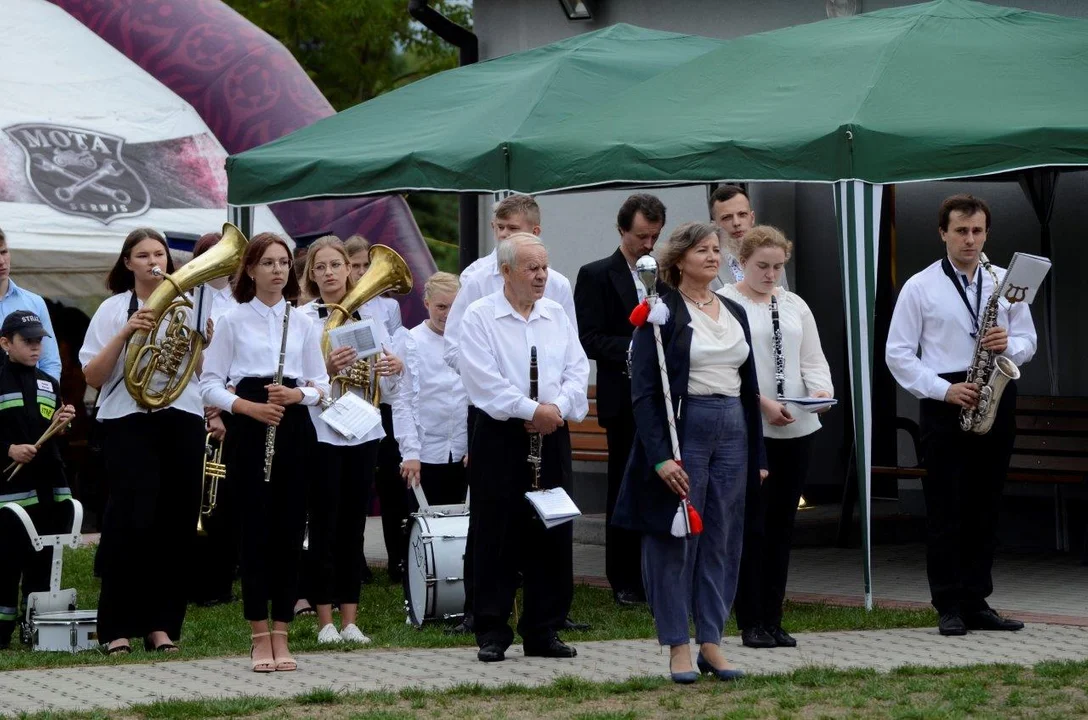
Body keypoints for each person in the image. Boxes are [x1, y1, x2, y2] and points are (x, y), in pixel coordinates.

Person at [614, 222, 766, 684]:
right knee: (676, 536)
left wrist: (758, 454)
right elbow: (643, 391)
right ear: (679, 259)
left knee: (723, 537)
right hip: (687, 429)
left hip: (733, 431)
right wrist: (661, 456)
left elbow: (750, 386)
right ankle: (678, 643)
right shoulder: (660, 312)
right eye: (702, 249)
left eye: (716, 249)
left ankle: (712, 642)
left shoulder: (734, 310)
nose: (712, 256)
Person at [886, 194, 1035, 637]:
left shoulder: (1006, 282)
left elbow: (1028, 339)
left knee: (986, 505)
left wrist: (1007, 345)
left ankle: (977, 600)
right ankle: (948, 602)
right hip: (946, 396)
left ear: (987, 233)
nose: (970, 240)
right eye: (961, 231)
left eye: (977, 231)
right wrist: (943, 389)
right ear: (943, 234)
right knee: (947, 506)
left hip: (996, 386)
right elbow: (897, 354)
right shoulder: (920, 286)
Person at [443, 193, 585, 635]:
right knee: (496, 530)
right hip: (501, 429)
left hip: (551, 428)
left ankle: (545, 626)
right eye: (532, 269)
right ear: (506, 272)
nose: (542, 276)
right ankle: (490, 626)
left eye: (544, 267)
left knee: (552, 527)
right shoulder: (481, 312)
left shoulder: (557, 309)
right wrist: (530, 409)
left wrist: (556, 408)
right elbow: (479, 374)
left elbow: (577, 366)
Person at [200, 232, 330, 672]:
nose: (278, 270)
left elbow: (321, 383)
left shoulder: (305, 322)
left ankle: (282, 634)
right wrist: (246, 407)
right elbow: (210, 382)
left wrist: (301, 398)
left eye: (284, 263)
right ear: (250, 270)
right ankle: (258, 636)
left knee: (291, 533)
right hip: (251, 423)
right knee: (254, 532)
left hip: (292, 425)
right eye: (269, 263)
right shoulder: (234, 320)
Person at [79, 228, 206, 654]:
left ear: (168, 261)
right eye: (143, 254)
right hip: (129, 421)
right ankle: (116, 626)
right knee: (130, 522)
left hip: (182, 418)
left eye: (160, 253)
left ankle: (161, 626)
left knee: (175, 523)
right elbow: (92, 377)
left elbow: (200, 372)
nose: (153, 260)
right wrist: (126, 333)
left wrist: (200, 340)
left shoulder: (187, 305)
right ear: (128, 263)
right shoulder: (113, 309)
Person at [718, 226, 833, 649]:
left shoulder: (794, 303)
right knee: (753, 526)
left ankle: (774, 616)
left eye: (778, 267)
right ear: (743, 263)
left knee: (783, 526)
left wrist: (820, 393)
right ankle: (750, 619)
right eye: (762, 267)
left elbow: (813, 359)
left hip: (798, 426)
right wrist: (763, 402)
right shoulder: (728, 303)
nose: (770, 275)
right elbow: (727, 369)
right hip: (752, 427)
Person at [297, 236, 402, 645]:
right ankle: (324, 620)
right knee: (323, 523)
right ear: (311, 274)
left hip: (362, 429)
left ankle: (350, 620)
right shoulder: (304, 317)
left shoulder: (369, 318)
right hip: (322, 430)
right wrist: (326, 364)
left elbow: (389, 389)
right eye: (320, 267)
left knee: (353, 525)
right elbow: (294, 378)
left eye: (335, 266)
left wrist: (394, 367)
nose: (329, 273)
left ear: (348, 269)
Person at [574, 193, 666, 606]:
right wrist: (636, 345)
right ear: (622, 230)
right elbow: (587, 337)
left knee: (661, 483)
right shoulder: (596, 274)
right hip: (623, 397)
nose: (649, 245)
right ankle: (623, 577)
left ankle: (657, 570)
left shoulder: (664, 274)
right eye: (642, 236)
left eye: (655, 237)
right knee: (625, 487)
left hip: (663, 398)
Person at [0, 311, 76, 649]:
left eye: (38, 341)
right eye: (27, 341)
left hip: (48, 484)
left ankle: (37, 630)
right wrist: (9, 449)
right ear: (5, 343)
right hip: (11, 489)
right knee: (7, 558)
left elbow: (53, 432)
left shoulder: (49, 381)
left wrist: (63, 420)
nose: (35, 347)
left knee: (44, 556)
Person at [344, 233, 406, 584]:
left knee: (389, 482)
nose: (363, 271)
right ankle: (356, 561)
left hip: (380, 400)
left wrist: (394, 362)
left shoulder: (386, 306)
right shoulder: (336, 305)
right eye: (355, 265)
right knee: (354, 485)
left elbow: (393, 345)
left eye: (367, 265)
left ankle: (398, 559)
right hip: (349, 399)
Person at [188, 230, 241, 608]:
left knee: (225, 501)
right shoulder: (189, 299)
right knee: (197, 497)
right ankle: (194, 578)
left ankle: (219, 581)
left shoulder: (241, 302)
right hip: (196, 404)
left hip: (234, 403)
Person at [393, 271, 468, 509]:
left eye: (454, 307)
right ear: (427, 304)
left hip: (463, 453)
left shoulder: (472, 339)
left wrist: (475, 446)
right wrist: (410, 453)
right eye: (441, 306)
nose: (448, 314)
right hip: (424, 455)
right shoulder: (410, 341)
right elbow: (402, 401)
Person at [0, 227, 62, 380]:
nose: (1, 261)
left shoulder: (35, 302)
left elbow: (50, 361)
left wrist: (47, 398)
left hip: (31, 398)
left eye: (4, 252)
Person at [708, 185, 789, 292]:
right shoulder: (708, 265)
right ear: (715, 224)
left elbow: (786, 304)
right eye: (727, 217)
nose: (736, 223)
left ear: (752, 218)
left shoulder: (775, 261)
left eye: (742, 214)